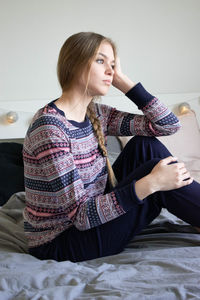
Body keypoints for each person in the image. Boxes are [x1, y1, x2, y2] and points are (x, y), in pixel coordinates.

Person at [23, 32, 200, 262]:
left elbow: (168, 125)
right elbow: (81, 216)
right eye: (100, 61)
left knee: (144, 145)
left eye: (113, 64)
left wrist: (124, 82)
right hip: (62, 242)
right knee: (154, 170)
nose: (110, 71)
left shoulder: (97, 113)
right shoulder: (50, 129)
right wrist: (152, 183)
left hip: (91, 218)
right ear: (74, 63)